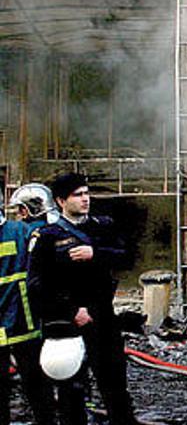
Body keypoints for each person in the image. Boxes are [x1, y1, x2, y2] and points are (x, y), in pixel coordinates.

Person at [28, 172, 137, 425]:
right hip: (69, 322)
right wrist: (69, 311)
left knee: (115, 386)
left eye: (87, 193)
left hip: (103, 317)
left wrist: (96, 253)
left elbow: (127, 256)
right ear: (61, 201)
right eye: (78, 195)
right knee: (71, 391)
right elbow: (36, 285)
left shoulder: (103, 227)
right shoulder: (47, 237)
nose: (85, 199)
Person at [0, 195, 55, 425]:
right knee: (35, 382)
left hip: (22, 319)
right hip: (23, 318)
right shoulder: (22, 231)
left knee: (34, 382)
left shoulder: (23, 231)